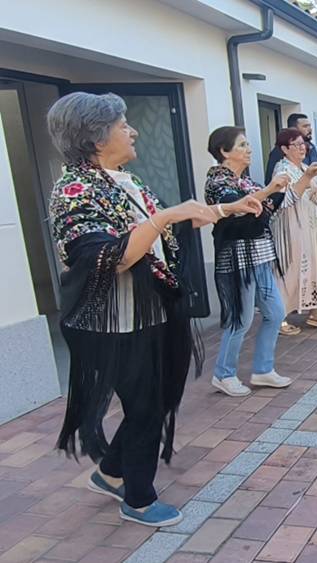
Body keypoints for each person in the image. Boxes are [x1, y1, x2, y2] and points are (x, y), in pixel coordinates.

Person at [47, 93, 260, 527]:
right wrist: (164, 217)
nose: (133, 131)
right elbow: (111, 257)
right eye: (122, 125)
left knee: (159, 399)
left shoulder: (123, 179)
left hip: (153, 311)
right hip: (115, 323)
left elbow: (169, 222)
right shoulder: (73, 190)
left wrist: (226, 208)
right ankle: (138, 499)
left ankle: (110, 473)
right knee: (144, 406)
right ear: (96, 137)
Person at [205, 126, 310, 396]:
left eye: (248, 144)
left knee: (275, 313)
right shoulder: (217, 182)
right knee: (240, 320)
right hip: (237, 261)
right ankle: (223, 374)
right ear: (224, 151)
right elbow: (239, 207)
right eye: (242, 145)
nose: (249, 150)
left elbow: (277, 204)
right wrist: (269, 190)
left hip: (261, 257)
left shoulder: (247, 182)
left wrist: (304, 178)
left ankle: (263, 370)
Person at [271, 128, 317, 334]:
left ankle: (315, 312)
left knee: (315, 269)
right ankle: (279, 316)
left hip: (313, 228)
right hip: (293, 227)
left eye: (303, 144)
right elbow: (284, 199)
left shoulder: (304, 166)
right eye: (296, 145)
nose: (302, 148)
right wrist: (307, 177)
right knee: (291, 270)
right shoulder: (282, 169)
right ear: (285, 149)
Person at [264, 113, 317, 184]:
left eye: (309, 126)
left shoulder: (311, 147)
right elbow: (271, 181)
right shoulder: (280, 150)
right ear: (294, 129)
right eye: (305, 126)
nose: (310, 129)